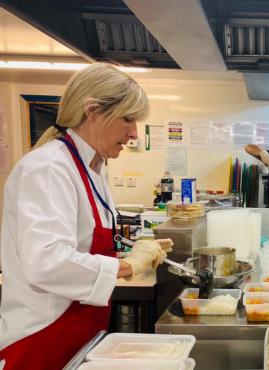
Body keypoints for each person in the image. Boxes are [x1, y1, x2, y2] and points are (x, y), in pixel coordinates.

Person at [0, 64, 173, 370]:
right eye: (129, 119)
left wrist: (129, 252)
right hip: (42, 338)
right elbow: (47, 262)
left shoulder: (91, 170)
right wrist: (126, 265)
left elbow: (83, 247)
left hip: (80, 335)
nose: (134, 134)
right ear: (92, 110)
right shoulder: (50, 168)